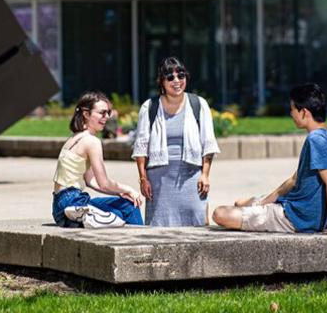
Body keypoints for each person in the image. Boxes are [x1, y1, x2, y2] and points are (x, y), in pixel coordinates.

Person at [212, 83, 327, 249]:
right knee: (240, 202)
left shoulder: (316, 140)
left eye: (293, 109)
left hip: (295, 218)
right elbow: (293, 180)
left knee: (219, 214)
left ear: (304, 112)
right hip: (294, 207)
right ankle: (260, 205)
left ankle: (262, 209)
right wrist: (263, 202)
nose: (291, 113)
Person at [132, 57, 220, 226]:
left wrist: (205, 174)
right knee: (159, 230)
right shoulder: (149, 107)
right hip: (159, 182)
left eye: (181, 75)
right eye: (170, 77)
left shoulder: (199, 104)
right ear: (162, 81)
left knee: (197, 225)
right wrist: (143, 179)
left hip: (191, 176)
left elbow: (208, 143)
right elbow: (141, 148)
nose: (177, 81)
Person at [52, 91, 144, 228]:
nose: (106, 117)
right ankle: (141, 243)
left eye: (108, 112)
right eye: (102, 113)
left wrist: (119, 192)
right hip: (73, 200)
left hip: (59, 203)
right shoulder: (91, 141)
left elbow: (90, 181)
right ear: (86, 114)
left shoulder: (74, 138)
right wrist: (129, 189)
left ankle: (81, 215)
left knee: (120, 209)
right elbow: (104, 183)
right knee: (129, 207)